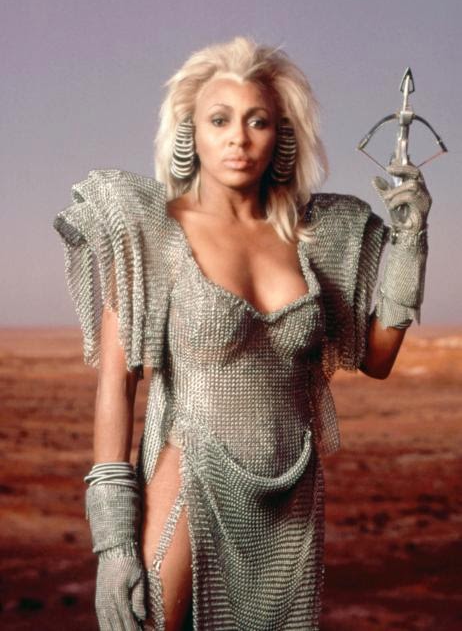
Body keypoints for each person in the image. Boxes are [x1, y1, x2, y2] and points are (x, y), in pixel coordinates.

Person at [53, 36, 431, 630]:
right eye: (219, 120)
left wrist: (411, 243)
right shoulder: (149, 226)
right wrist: (114, 544)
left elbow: (377, 358)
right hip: (192, 476)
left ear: (281, 135)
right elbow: (117, 385)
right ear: (190, 133)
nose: (238, 138)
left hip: (293, 495)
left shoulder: (320, 234)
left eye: (257, 121)